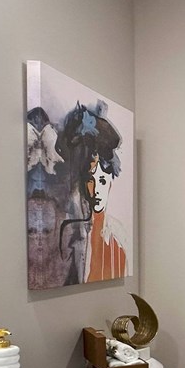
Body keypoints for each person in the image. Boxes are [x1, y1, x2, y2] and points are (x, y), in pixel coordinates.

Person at [55, 102, 126, 282]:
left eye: (102, 180)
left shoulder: (117, 236)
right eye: (89, 180)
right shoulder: (70, 230)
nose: (95, 190)